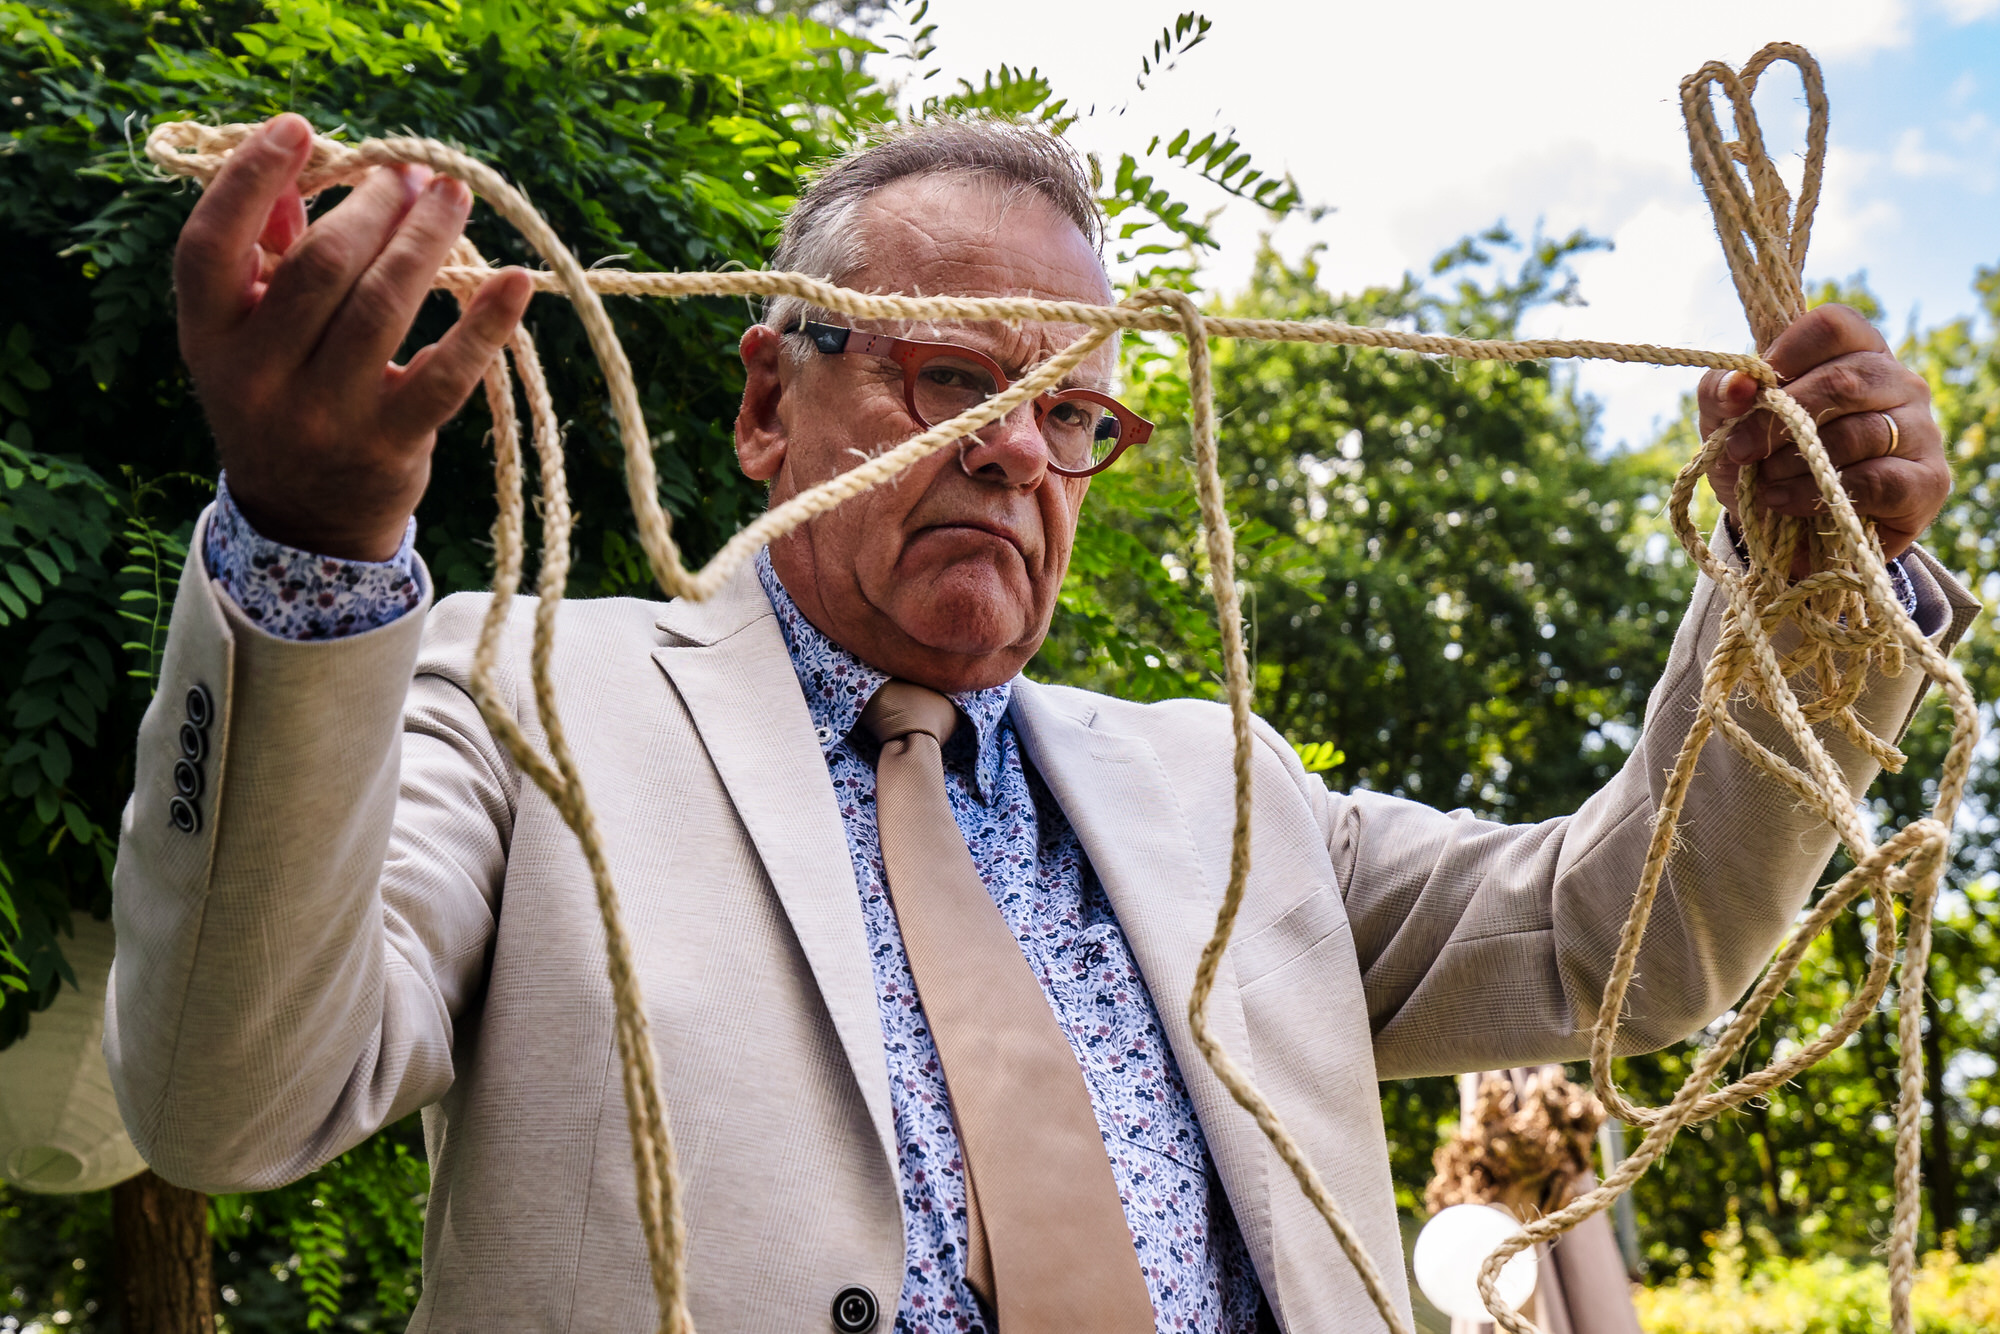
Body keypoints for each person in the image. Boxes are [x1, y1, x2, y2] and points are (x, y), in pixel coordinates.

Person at [107, 112, 1972, 1334]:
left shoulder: (1228, 795)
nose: (1018, 449)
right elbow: (225, 1100)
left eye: (1073, 411)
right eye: (949, 377)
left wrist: (1810, 587)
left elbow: (1625, 940)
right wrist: (309, 544)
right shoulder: (526, 698)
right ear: (766, 404)